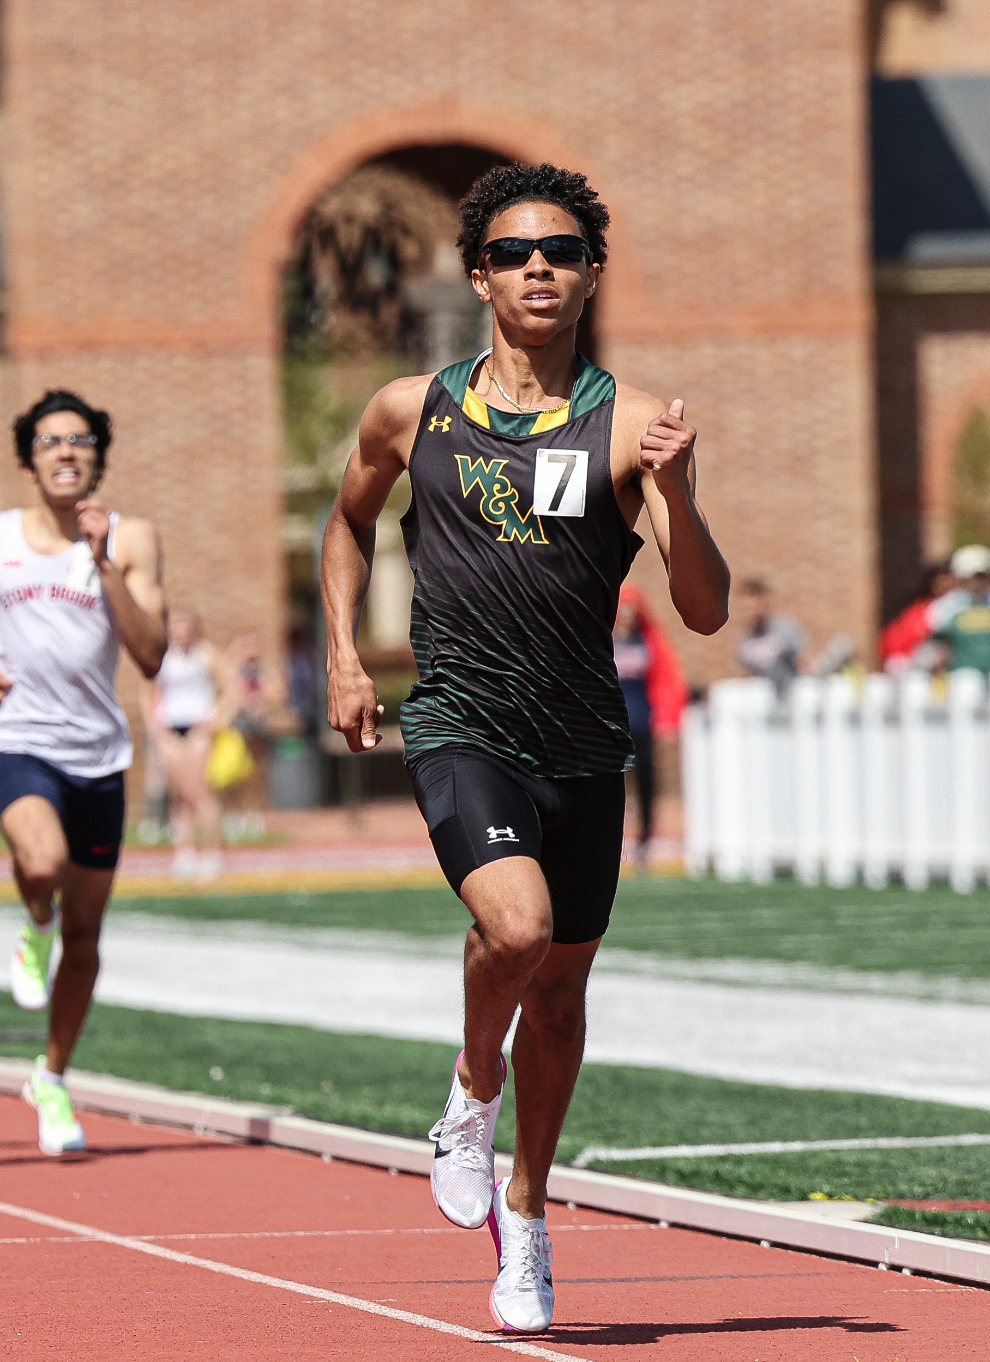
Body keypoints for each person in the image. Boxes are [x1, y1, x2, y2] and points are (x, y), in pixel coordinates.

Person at [321, 163, 729, 1334]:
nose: (535, 267)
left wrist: (676, 492)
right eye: (511, 252)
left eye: (559, 251)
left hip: (582, 741)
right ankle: (468, 1084)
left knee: (557, 999)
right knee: (516, 928)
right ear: (477, 277)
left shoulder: (630, 423)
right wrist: (343, 658)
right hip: (460, 719)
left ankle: (530, 1212)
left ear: (590, 274)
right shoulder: (409, 409)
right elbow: (346, 523)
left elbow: (702, 610)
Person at [0, 389, 167, 1156]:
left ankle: (50, 1075)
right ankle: (32, 922)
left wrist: (103, 561)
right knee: (40, 862)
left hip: (99, 756)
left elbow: (151, 653)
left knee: (86, 935)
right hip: (19, 736)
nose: (66, 452)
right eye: (50, 441)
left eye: (80, 440)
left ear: (97, 456)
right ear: (29, 459)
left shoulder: (131, 538)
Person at [610, 586, 685, 866]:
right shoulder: (608, 642)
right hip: (614, 728)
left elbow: (665, 679)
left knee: (645, 781)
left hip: (642, 724)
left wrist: (667, 718)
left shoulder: (648, 642)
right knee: (615, 782)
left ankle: (645, 837)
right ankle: (615, 836)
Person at [151, 610, 224, 880]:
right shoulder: (163, 657)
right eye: (176, 625)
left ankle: (212, 852)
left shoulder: (205, 654)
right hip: (171, 729)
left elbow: (233, 687)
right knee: (179, 794)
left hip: (197, 729)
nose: (181, 630)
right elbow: (149, 692)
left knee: (199, 791)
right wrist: (155, 727)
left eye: (186, 624)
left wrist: (216, 719)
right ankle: (184, 853)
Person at [930, 543, 990, 674]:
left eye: (981, 575)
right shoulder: (945, 606)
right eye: (972, 576)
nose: (976, 580)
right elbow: (938, 643)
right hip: (962, 673)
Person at [879, 560, 953, 672]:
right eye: (938, 581)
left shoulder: (961, 604)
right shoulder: (921, 609)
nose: (943, 584)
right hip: (913, 662)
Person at [731, 579, 804, 692]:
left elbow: (802, 662)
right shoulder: (745, 639)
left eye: (756, 600)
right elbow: (746, 675)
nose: (752, 608)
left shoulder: (784, 629)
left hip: (789, 692)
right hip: (763, 695)